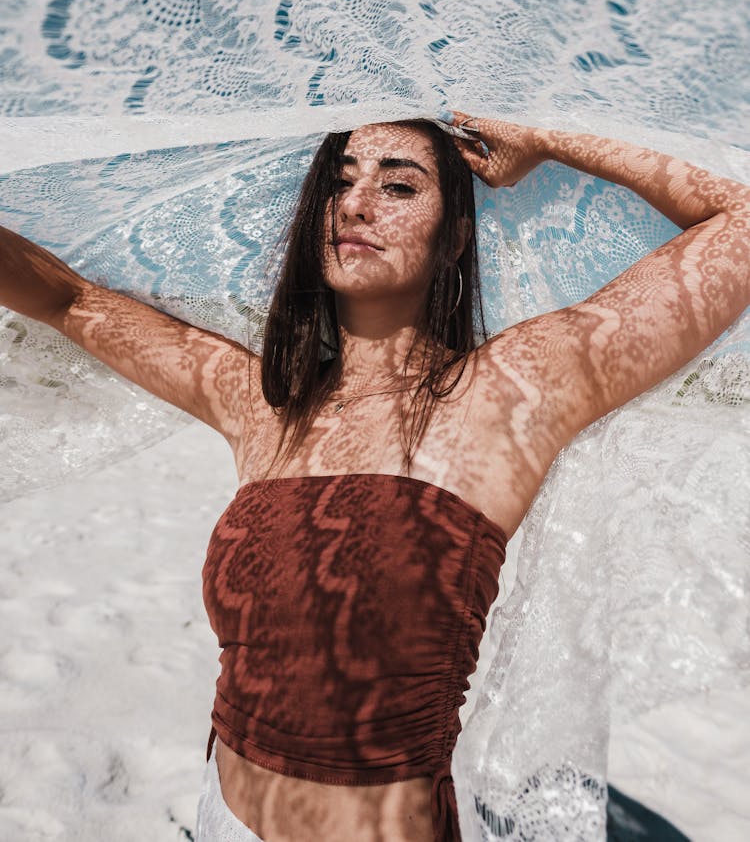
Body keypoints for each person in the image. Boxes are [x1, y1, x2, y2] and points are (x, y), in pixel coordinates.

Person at [2, 112, 748, 842]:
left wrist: (550, 139)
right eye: (339, 180)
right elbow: (70, 300)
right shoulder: (264, 404)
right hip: (222, 814)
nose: (355, 203)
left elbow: (741, 223)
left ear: (455, 234)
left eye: (398, 187)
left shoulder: (514, 388)